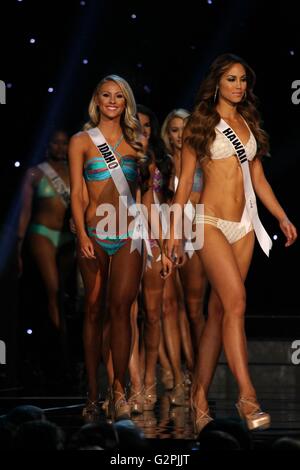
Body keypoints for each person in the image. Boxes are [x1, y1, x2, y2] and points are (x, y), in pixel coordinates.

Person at [165, 53, 297, 433]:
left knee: (219, 312)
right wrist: (174, 234)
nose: (239, 86)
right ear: (216, 84)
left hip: (244, 225)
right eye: (231, 80)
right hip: (209, 223)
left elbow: (258, 178)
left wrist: (282, 216)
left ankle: (199, 396)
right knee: (237, 302)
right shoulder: (200, 124)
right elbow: (185, 184)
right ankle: (247, 395)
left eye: (242, 80)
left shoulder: (249, 123)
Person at [68, 75, 170, 421]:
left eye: (119, 96)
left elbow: (147, 198)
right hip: (94, 233)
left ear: (126, 102)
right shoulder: (81, 141)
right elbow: (78, 194)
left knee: (121, 310)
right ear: (97, 99)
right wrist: (81, 234)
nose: (112, 101)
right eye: (106, 95)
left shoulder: (137, 145)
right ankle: (93, 395)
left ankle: (119, 389)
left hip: (129, 234)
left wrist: (160, 244)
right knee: (94, 311)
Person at [138, 105, 185, 408]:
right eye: (136, 125)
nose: (142, 131)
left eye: (146, 126)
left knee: (155, 312)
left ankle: (154, 379)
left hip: (151, 233)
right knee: (124, 314)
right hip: (114, 231)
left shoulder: (159, 162)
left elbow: (161, 203)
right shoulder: (109, 154)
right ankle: (128, 385)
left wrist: (163, 243)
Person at [17, 130, 74, 380]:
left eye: (65, 142)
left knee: (64, 292)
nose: (60, 147)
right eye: (55, 142)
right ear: (47, 144)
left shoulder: (77, 171)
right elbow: (24, 213)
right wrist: (18, 249)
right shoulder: (35, 173)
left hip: (68, 237)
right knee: (52, 290)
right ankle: (59, 349)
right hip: (41, 233)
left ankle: (64, 346)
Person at [161, 108, 207, 361]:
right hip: (168, 237)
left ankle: (201, 371)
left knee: (194, 309)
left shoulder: (203, 161)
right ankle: (182, 370)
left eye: (185, 129)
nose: (180, 135)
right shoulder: (163, 164)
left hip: (197, 237)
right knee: (169, 307)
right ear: (167, 134)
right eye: (174, 130)